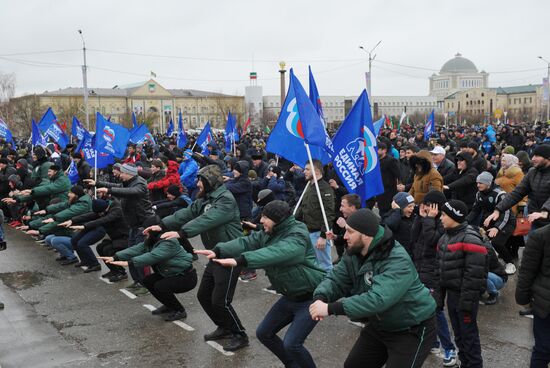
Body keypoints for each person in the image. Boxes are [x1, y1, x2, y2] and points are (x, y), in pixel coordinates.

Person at [197, 201, 326, 368]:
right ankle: (292, 365)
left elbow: (276, 252)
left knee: (292, 344)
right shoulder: (270, 232)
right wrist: (219, 250)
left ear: (278, 219)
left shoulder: (297, 235)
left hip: (311, 298)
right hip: (290, 296)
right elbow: (246, 242)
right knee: (264, 333)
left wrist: (240, 260)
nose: (261, 220)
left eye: (266, 217)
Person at [310, 208, 437, 368]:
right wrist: (320, 298)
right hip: (380, 324)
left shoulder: (397, 259)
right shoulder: (354, 251)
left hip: (412, 327)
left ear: (366, 234)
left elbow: (378, 299)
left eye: (350, 231)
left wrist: (331, 308)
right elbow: (336, 279)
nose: (345, 236)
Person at [147, 165, 247, 351]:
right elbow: (187, 213)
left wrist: (181, 233)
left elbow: (208, 219)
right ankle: (224, 327)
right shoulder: (205, 198)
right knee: (203, 296)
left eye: (201, 180)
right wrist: (162, 225)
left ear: (211, 182)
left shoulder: (225, 200)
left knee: (220, 300)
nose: (197, 183)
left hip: (230, 254)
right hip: (215, 254)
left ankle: (239, 333)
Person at [102, 219, 197, 322]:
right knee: (148, 281)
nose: (143, 232)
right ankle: (168, 305)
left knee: (161, 286)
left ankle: (180, 310)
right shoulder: (152, 240)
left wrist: (129, 263)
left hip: (186, 277)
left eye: (146, 230)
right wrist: (115, 257)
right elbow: (136, 249)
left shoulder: (168, 242)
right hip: (170, 273)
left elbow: (153, 256)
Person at [436, 200, 487, 368]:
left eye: (444, 215)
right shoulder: (445, 237)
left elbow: (474, 275)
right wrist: (439, 299)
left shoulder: (470, 238)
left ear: (454, 216)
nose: (441, 218)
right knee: (459, 336)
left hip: (465, 298)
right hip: (452, 297)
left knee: (469, 337)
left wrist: (466, 304)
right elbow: (441, 271)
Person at [410, 190, 458, 366]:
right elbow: (413, 238)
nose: (424, 207)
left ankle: (449, 348)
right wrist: (421, 218)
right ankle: (433, 342)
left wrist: (430, 219)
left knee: (435, 310)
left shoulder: (443, 222)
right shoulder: (425, 219)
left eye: (428, 204)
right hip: (419, 268)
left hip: (434, 271)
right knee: (422, 308)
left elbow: (432, 240)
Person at [485, 144, 550, 232]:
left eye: (537, 156)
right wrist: (498, 209)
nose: (533, 159)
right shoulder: (532, 172)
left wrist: (544, 213)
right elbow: (518, 192)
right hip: (534, 220)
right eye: (533, 155)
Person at [68, 198, 130, 282]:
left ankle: (121, 273)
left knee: (108, 250)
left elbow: (103, 220)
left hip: (126, 238)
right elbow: (89, 215)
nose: (99, 215)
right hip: (116, 238)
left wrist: (84, 226)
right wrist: (72, 220)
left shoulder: (116, 211)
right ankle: (114, 270)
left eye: (99, 213)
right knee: (100, 247)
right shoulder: (103, 210)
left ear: (104, 210)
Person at [467, 171, 516, 274]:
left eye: (480, 183)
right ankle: (489, 263)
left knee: (496, 242)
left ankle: (510, 263)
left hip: (506, 222)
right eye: (477, 183)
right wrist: (465, 221)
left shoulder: (500, 194)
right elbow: (475, 210)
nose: (478, 185)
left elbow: (505, 214)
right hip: (489, 221)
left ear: (488, 183)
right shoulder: (478, 194)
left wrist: (497, 228)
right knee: (480, 240)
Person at [515, 223, 550, 368]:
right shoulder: (540, 236)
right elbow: (527, 271)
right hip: (546, 306)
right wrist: (523, 298)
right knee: (543, 350)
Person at [295, 159, 335, 272]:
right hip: (307, 232)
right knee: (311, 264)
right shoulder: (309, 186)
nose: (304, 171)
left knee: (324, 266)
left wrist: (323, 236)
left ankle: (329, 288)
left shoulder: (324, 188)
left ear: (316, 171)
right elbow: (303, 208)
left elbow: (329, 214)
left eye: (307, 169)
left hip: (318, 234)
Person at [326, 193, 361, 264]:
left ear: (352, 207)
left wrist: (345, 226)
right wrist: (335, 237)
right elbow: (345, 239)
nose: (340, 209)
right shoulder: (349, 218)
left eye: (342, 206)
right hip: (350, 257)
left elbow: (358, 240)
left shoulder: (362, 219)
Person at [382, 192, 416, 256]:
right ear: (400, 207)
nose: (412, 208)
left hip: (410, 254)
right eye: (409, 206)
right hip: (398, 254)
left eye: (413, 206)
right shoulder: (390, 216)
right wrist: (397, 211)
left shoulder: (412, 217)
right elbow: (390, 224)